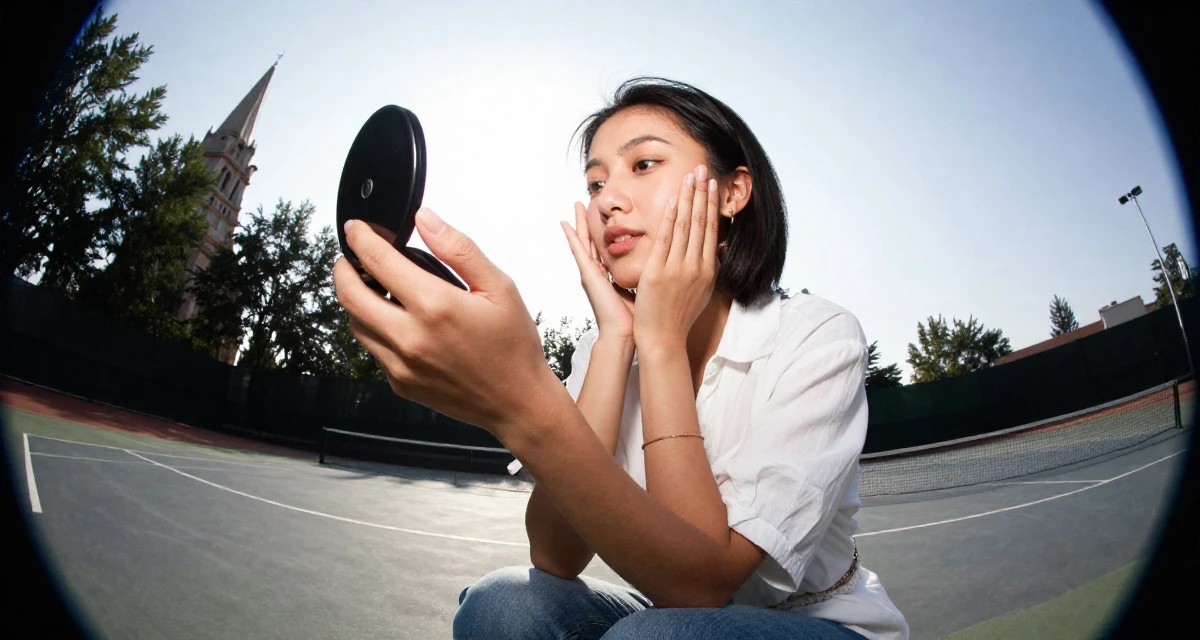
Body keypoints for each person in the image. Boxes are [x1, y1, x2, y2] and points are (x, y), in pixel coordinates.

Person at [333, 77, 908, 640]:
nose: (608, 199)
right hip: (666, 611)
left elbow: (702, 588)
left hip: (821, 624)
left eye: (644, 164)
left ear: (732, 193)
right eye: (595, 182)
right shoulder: (603, 345)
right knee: (502, 606)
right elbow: (554, 554)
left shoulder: (818, 336)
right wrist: (616, 340)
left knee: (656, 636)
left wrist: (654, 347)